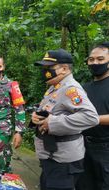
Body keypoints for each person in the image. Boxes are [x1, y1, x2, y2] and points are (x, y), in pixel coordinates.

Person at [32, 49, 99, 190]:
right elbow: (52, 110)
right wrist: (37, 116)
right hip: (52, 156)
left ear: (64, 69)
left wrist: (52, 122)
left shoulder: (71, 89)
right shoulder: (55, 87)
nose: (45, 72)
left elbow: (90, 117)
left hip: (62, 161)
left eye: (48, 68)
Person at [76, 42, 109, 190]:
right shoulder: (83, 88)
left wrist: (92, 119)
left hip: (105, 148)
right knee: (83, 185)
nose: (95, 63)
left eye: (100, 59)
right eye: (91, 59)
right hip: (81, 145)